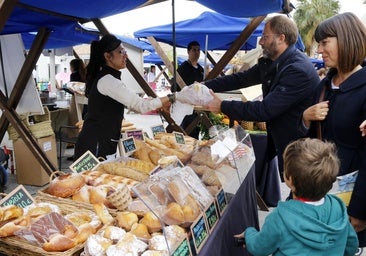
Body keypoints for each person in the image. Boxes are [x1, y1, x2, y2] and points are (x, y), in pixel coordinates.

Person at [203, 15, 319, 178]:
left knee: (301, 195)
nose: (261, 42)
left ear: (281, 38)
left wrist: (222, 106)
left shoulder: (297, 69)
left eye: (265, 37)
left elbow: (264, 110)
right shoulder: (273, 62)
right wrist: (203, 86)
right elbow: (240, 78)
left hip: (301, 149)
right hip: (287, 144)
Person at [299, 12, 366, 246]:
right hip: (319, 197)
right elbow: (309, 141)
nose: (319, 50)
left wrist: (359, 209)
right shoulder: (324, 85)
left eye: (325, 42)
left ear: (347, 39)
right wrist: (306, 118)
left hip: (352, 201)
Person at [234, 138, 359, 256]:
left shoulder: (279, 218)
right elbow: (351, 246)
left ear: (290, 180)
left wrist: (249, 234)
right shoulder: (339, 210)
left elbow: (259, 248)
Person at [74, 34, 172, 160]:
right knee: (93, 179)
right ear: (108, 56)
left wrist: (162, 103)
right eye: (121, 51)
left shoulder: (108, 77)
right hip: (95, 145)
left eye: (125, 51)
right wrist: (173, 97)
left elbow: (136, 104)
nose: (126, 55)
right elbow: (141, 106)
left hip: (100, 141)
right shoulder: (107, 80)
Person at [176, 40, 205, 139]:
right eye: (194, 50)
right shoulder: (183, 68)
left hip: (197, 107)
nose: (197, 53)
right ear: (188, 52)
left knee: (196, 132)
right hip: (185, 106)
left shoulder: (201, 69)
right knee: (186, 132)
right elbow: (174, 87)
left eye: (198, 50)